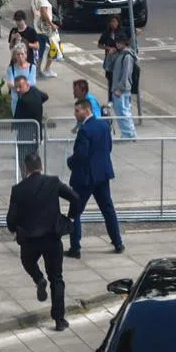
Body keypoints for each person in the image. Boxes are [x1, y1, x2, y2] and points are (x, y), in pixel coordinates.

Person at [6, 152, 82, 332]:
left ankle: (38, 278)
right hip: (52, 236)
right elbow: (75, 198)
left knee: (28, 261)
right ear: (41, 166)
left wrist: (16, 229)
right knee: (57, 278)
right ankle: (59, 319)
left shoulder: (18, 189)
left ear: (25, 169)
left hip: (30, 239)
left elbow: (11, 219)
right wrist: (70, 216)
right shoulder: (53, 182)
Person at [66, 98, 124, 258]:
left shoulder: (84, 130)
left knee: (75, 211)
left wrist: (70, 162)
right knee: (107, 209)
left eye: (77, 111)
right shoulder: (104, 126)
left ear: (87, 110)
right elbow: (108, 147)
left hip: (85, 178)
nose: (75, 114)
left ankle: (75, 247)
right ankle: (117, 242)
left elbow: (81, 155)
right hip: (102, 174)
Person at [11, 76, 47, 169]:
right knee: (34, 158)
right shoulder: (35, 91)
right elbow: (45, 96)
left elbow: (18, 117)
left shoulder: (23, 100)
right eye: (16, 87)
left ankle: (26, 178)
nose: (18, 90)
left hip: (25, 134)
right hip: (37, 133)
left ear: (27, 85)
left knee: (24, 159)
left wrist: (14, 126)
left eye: (20, 87)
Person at [108, 34, 138, 139]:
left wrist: (120, 89)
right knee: (124, 111)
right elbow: (108, 67)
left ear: (125, 43)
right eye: (117, 42)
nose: (117, 44)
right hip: (119, 88)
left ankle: (128, 133)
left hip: (121, 89)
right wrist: (110, 55)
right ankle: (130, 132)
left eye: (120, 42)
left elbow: (126, 74)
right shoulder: (119, 54)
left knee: (122, 111)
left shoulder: (127, 56)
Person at [30, 0, 59, 78]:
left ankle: (37, 70)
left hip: (38, 28)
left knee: (41, 49)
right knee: (55, 47)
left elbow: (33, 13)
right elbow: (43, 13)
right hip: (46, 29)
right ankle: (47, 69)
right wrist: (52, 24)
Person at [6, 44, 37, 117]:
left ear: (26, 55)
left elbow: (32, 83)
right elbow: (10, 84)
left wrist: (17, 86)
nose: (20, 56)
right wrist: (23, 85)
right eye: (18, 54)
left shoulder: (32, 68)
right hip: (16, 101)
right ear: (15, 56)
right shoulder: (11, 69)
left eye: (22, 54)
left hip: (29, 101)